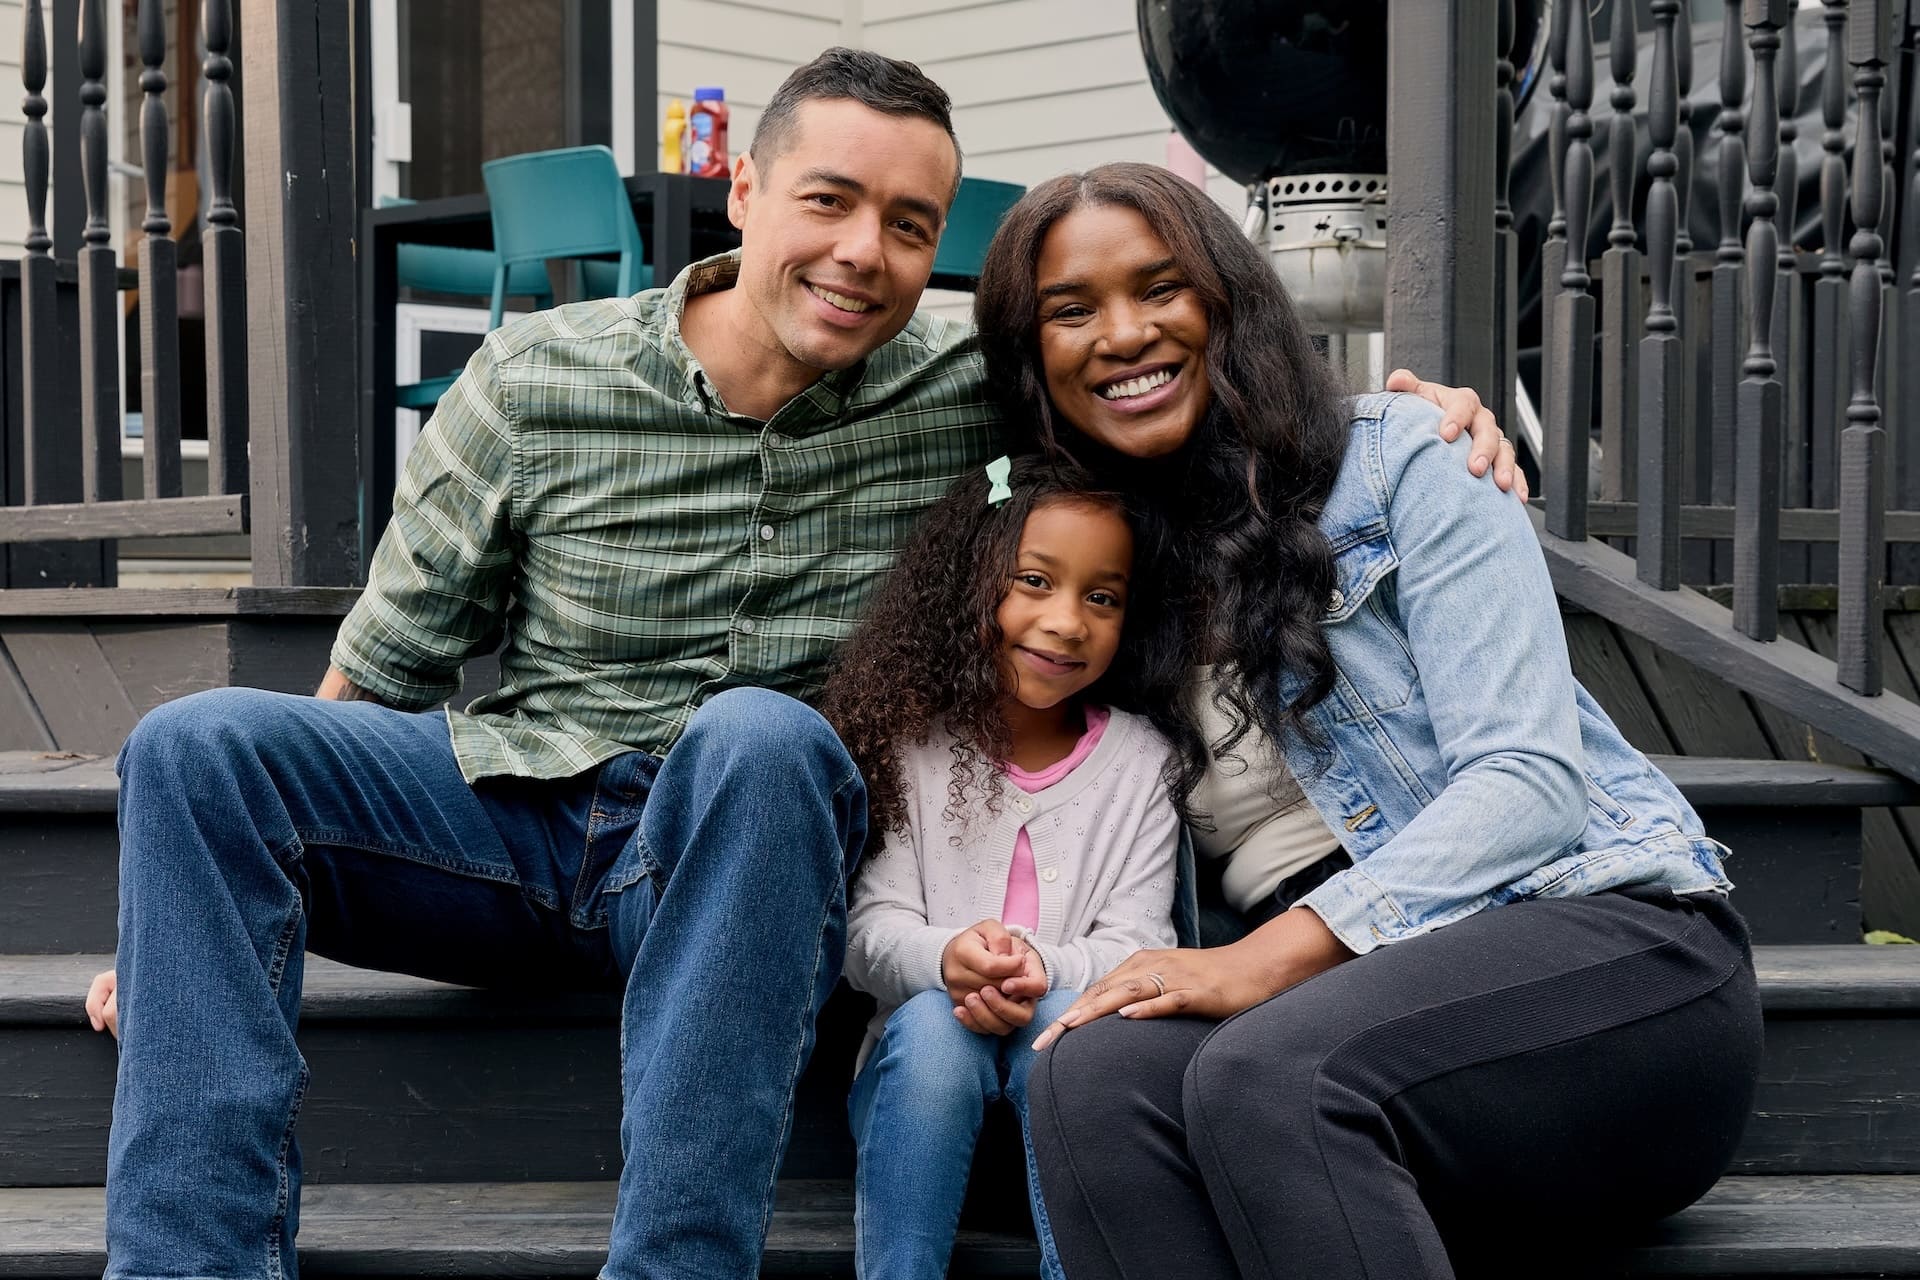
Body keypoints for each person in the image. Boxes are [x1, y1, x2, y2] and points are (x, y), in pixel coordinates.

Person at [83, 50, 1516, 1280]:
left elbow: (1149, 389)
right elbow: (386, 666)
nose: (863, 253)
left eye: (908, 223)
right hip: (512, 820)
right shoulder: (536, 383)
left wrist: (1409, 414)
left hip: (749, 851)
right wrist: (184, 903)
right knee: (199, 745)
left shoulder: (965, 404)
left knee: (765, 736)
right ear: (745, 194)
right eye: (829, 201)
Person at [969, 162, 1765, 1279]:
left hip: (1598, 953)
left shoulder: (1403, 460)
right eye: (1070, 309)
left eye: (1162, 287)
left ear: (1227, 299)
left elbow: (1531, 784)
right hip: (1319, 1008)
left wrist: (1264, 960)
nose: (1123, 332)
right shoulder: (1083, 571)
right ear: (1031, 352)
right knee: (1090, 1078)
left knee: (1271, 1071)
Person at [823, 456, 1193, 1279]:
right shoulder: (912, 745)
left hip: (1067, 1113)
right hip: (912, 1112)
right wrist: (950, 962)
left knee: (1067, 1034)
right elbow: (867, 935)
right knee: (930, 1027)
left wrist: (1036, 970)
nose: (1066, 622)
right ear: (969, 585)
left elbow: (1141, 946)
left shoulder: (1143, 763)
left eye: (1102, 597)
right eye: (1034, 581)